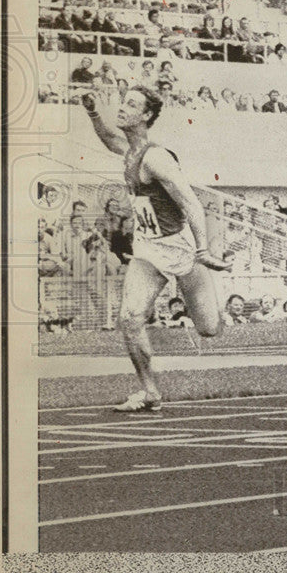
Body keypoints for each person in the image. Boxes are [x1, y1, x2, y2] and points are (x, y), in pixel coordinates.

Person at [81, 86, 230, 412]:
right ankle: (150, 391)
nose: (122, 108)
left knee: (209, 329)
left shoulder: (156, 158)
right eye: (123, 101)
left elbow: (191, 203)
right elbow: (109, 138)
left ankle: (207, 295)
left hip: (180, 250)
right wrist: (93, 111)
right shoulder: (132, 152)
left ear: (146, 116)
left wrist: (202, 250)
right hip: (148, 249)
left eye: (131, 104)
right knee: (130, 318)